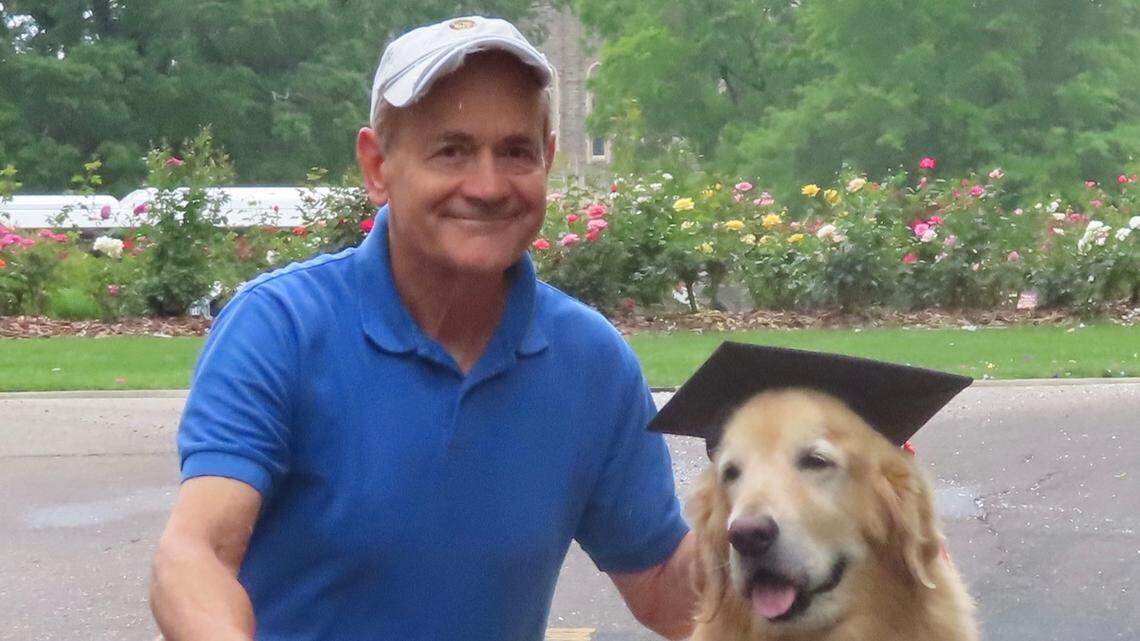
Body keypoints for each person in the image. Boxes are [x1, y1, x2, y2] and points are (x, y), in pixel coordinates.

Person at [149, 15, 697, 641]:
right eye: (452, 150)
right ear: (377, 166)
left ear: (546, 159)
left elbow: (664, 589)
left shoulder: (590, 362)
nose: (488, 186)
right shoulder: (282, 328)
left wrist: (786, 518)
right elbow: (194, 556)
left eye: (515, 151)